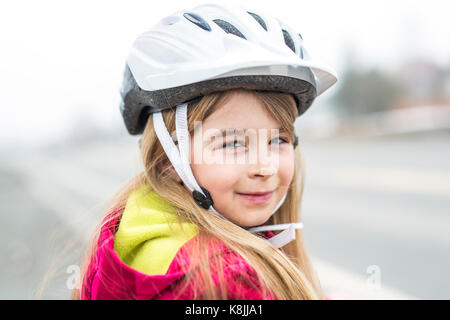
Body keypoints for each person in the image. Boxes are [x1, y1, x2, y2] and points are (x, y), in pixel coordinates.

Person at [74, 3, 337, 300]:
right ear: (167, 160)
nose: (265, 167)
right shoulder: (226, 282)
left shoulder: (133, 229)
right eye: (233, 144)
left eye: (278, 140)